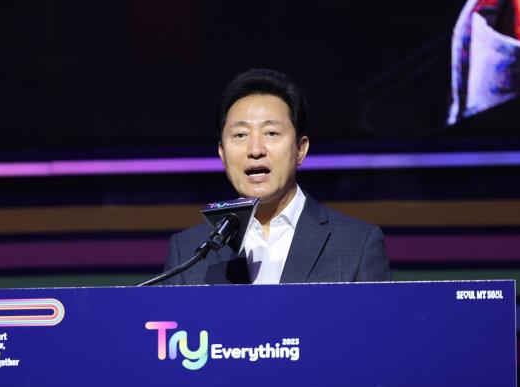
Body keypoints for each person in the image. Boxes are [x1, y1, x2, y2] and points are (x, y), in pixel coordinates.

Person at [163, 68, 390, 285]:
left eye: (271, 133)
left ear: (300, 149)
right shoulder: (188, 251)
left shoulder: (358, 244)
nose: (255, 150)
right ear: (222, 153)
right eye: (240, 135)